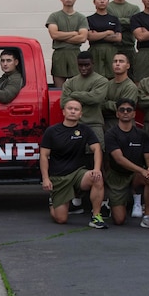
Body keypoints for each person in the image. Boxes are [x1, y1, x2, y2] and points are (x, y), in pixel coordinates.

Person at [38, 98, 106, 228]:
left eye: (76, 109)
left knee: (97, 177)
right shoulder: (52, 131)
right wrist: (46, 179)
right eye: (70, 109)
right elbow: (44, 155)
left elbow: (97, 148)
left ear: (81, 114)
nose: (73, 111)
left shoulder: (85, 130)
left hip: (78, 174)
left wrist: (97, 169)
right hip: (59, 177)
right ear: (63, 112)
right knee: (61, 219)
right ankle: (54, 201)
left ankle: (96, 216)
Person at [103, 99, 149, 228]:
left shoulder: (142, 135)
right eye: (122, 110)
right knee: (119, 220)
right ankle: (121, 201)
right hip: (117, 177)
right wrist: (142, 170)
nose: (125, 112)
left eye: (129, 110)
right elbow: (119, 159)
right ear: (117, 114)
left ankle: (147, 217)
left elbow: (148, 156)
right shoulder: (111, 134)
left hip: (135, 175)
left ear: (134, 114)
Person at [61, 51, 109, 146]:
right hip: (74, 125)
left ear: (93, 64)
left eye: (87, 65)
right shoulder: (70, 82)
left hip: (94, 124)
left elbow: (95, 98)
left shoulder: (101, 81)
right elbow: (63, 103)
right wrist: (87, 96)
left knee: (95, 156)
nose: (83, 68)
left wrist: (74, 94)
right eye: (80, 65)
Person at [46, 0, 89, 87]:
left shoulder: (81, 18)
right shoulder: (54, 16)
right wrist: (73, 33)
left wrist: (62, 37)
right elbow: (54, 34)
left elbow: (82, 38)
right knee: (59, 89)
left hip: (75, 53)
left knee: (77, 87)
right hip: (59, 54)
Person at [85, 0, 121, 79]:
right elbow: (90, 36)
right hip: (95, 50)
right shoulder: (89, 19)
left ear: (108, 1)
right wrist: (108, 32)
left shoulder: (114, 19)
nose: (102, 1)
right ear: (94, 2)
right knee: (95, 77)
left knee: (112, 76)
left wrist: (98, 35)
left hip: (111, 51)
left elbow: (118, 38)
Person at [107, 0, 141, 66]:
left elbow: (135, 25)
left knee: (132, 77)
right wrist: (127, 21)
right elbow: (107, 25)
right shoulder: (107, 7)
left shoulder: (134, 8)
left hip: (129, 47)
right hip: (112, 48)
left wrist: (116, 21)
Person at [102, 53, 139, 132]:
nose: (117, 64)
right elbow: (100, 104)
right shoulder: (107, 84)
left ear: (128, 66)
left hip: (125, 126)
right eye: (115, 61)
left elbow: (124, 108)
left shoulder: (130, 87)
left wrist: (107, 104)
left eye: (121, 61)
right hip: (107, 124)